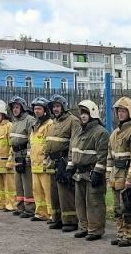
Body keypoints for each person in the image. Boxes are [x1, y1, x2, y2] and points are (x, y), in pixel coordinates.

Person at [69, 99, 110, 241]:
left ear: (93, 114)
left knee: (94, 202)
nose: (83, 116)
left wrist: (99, 172)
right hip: (79, 173)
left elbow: (103, 154)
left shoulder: (101, 132)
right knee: (80, 203)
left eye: (86, 113)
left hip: (92, 173)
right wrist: (70, 167)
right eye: (81, 113)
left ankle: (95, 230)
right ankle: (84, 227)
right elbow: (72, 150)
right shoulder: (78, 131)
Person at [108, 96, 131, 247]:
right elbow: (110, 156)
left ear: (130, 112)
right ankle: (121, 233)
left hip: (126, 175)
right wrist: (108, 175)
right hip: (116, 175)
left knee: (128, 206)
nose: (120, 114)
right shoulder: (115, 133)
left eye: (123, 111)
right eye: (118, 111)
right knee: (118, 207)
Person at [44, 94, 78, 232]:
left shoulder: (72, 121)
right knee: (54, 192)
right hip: (53, 162)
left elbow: (74, 143)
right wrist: (46, 159)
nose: (55, 109)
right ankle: (57, 218)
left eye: (58, 106)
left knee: (65, 193)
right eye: (53, 107)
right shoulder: (54, 122)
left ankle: (70, 221)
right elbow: (48, 142)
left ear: (64, 106)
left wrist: (70, 163)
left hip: (63, 161)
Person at [7, 96, 36, 217]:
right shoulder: (15, 121)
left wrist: (28, 157)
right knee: (18, 182)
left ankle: (29, 209)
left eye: (17, 107)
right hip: (16, 155)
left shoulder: (30, 120)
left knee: (27, 183)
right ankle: (20, 207)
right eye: (13, 108)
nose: (15, 110)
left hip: (24, 155)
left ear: (23, 108)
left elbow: (32, 140)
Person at [27, 96, 53, 222]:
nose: (37, 111)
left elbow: (49, 145)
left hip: (44, 164)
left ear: (45, 110)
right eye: (35, 109)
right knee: (37, 191)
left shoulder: (50, 124)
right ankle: (40, 213)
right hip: (35, 163)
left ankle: (51, 214)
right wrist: (28, 157)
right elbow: (32, 143)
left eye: (39, 109)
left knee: (48, 191)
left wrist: (46, 161)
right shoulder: (35, 124)